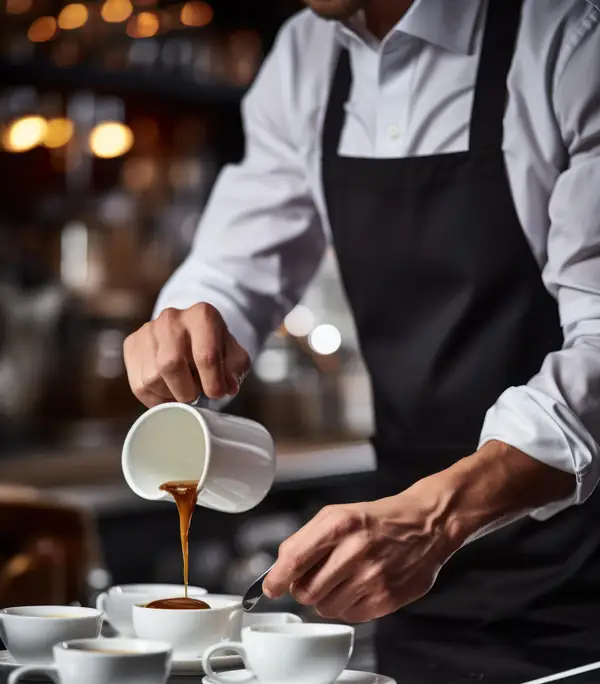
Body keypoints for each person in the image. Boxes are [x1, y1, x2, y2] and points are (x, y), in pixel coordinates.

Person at [124, 0, 600, 633]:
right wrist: (184, 334)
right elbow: (234, 269)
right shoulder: (305, 54)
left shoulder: (569, 34)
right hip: (405, 572)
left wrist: (438, 518)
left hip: (580, 566)